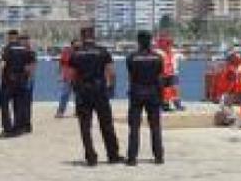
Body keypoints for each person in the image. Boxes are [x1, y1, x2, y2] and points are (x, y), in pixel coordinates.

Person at [66, 26, 121, 166]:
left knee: (85, 126)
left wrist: (75, 88)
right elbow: (112, 72)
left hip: (83, 91)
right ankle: (113, 155)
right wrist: (111, 88)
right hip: (100, 90)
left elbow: (70, 75)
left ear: (82, 37)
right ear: (93, 36)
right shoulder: (103, 51)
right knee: (106, 124)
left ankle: (91, 156)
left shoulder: (76, 54)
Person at [126, 30, 165, 166]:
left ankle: (132, 158)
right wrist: (162, 97)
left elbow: (131, 76)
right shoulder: (158, 58)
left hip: (137, 93)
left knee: (134, 127)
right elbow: (160, 79)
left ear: (138, 41)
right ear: (150, 41)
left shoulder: (131, 57)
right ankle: (158, 156)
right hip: (153, 93)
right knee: (155, 127)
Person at [0, 30, 36, 136]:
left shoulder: (7, 49)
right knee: (18, 104)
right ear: (17, 37)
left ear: (9, 37)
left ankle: (7, 128)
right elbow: (30, 66)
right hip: (21, 80)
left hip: (9, 80)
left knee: (3, 103)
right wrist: (27, 78)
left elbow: (2, 64)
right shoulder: (25, 49)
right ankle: (18, 128)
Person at [156, 35, 186, 112]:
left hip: (173, 74)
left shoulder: (174, 52)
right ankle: (165, 105)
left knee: (175, 89)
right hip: (162, 74)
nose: (167, 45)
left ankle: (177, 104)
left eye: (169, 43)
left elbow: (183, 57)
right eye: (166, 43)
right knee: (164, 90)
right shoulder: (158, 52)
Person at [55, 39, 78, 118]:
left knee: (78, 95)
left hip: (78, 77)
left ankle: (78, 111)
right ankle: (60, 111)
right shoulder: (66, 51)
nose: (77, 46)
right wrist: (59, 74)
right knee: (64, 94)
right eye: (75, 45)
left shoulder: (81, 52)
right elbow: (61, 63)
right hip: (67, 77)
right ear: (72, 45)